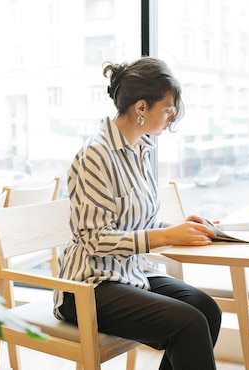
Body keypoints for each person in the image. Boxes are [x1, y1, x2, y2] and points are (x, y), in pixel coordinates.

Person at [54, 56, 222, 370]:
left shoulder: (140, 150)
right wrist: (165, 236)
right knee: (189, 324)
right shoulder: (95, 156)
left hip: (129, 274)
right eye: (168, 109)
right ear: (141, 108)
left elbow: (137, 223)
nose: (171, 117)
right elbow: (95, 240)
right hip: (88, 286)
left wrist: (177, 227)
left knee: (206, 309)